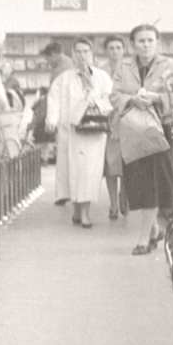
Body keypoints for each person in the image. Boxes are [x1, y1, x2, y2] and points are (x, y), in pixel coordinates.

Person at [111, 23, 173, 255]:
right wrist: (132, 100)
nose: (146, 45)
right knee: (138, 181)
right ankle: (153, 228)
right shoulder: (124, 66)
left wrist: (156, 98)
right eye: (141, 41)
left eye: (150, 40)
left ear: (157, 43)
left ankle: (144, 239)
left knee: (153, 181)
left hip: (160, 130)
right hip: (133, 130)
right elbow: (114, 95)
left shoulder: (168, 66)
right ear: (133, 44)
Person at [45, 38, 113, 228]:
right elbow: (54, 99)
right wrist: (51, 119)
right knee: (72, 172)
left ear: (92, 54)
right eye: (79, 52)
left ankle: (85, 213)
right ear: (73, 55)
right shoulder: (64, 78)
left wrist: (93, 98)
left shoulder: (102, 77)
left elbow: (109, 100)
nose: (82, 56)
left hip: (94, 132)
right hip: (71, 132)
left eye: (86, 52)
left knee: (89, 173)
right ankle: (77, 209)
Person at [100, 34, 129, 220]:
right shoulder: (100, 71)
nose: (115, 51)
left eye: (118, 47)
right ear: (106, 50)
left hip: (127, 121)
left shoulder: (130, 70)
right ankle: (113, 204)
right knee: (110, 165)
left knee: (127, 163)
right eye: (111, 48)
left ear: (124, 50)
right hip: (107, 123)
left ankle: (124, 197)